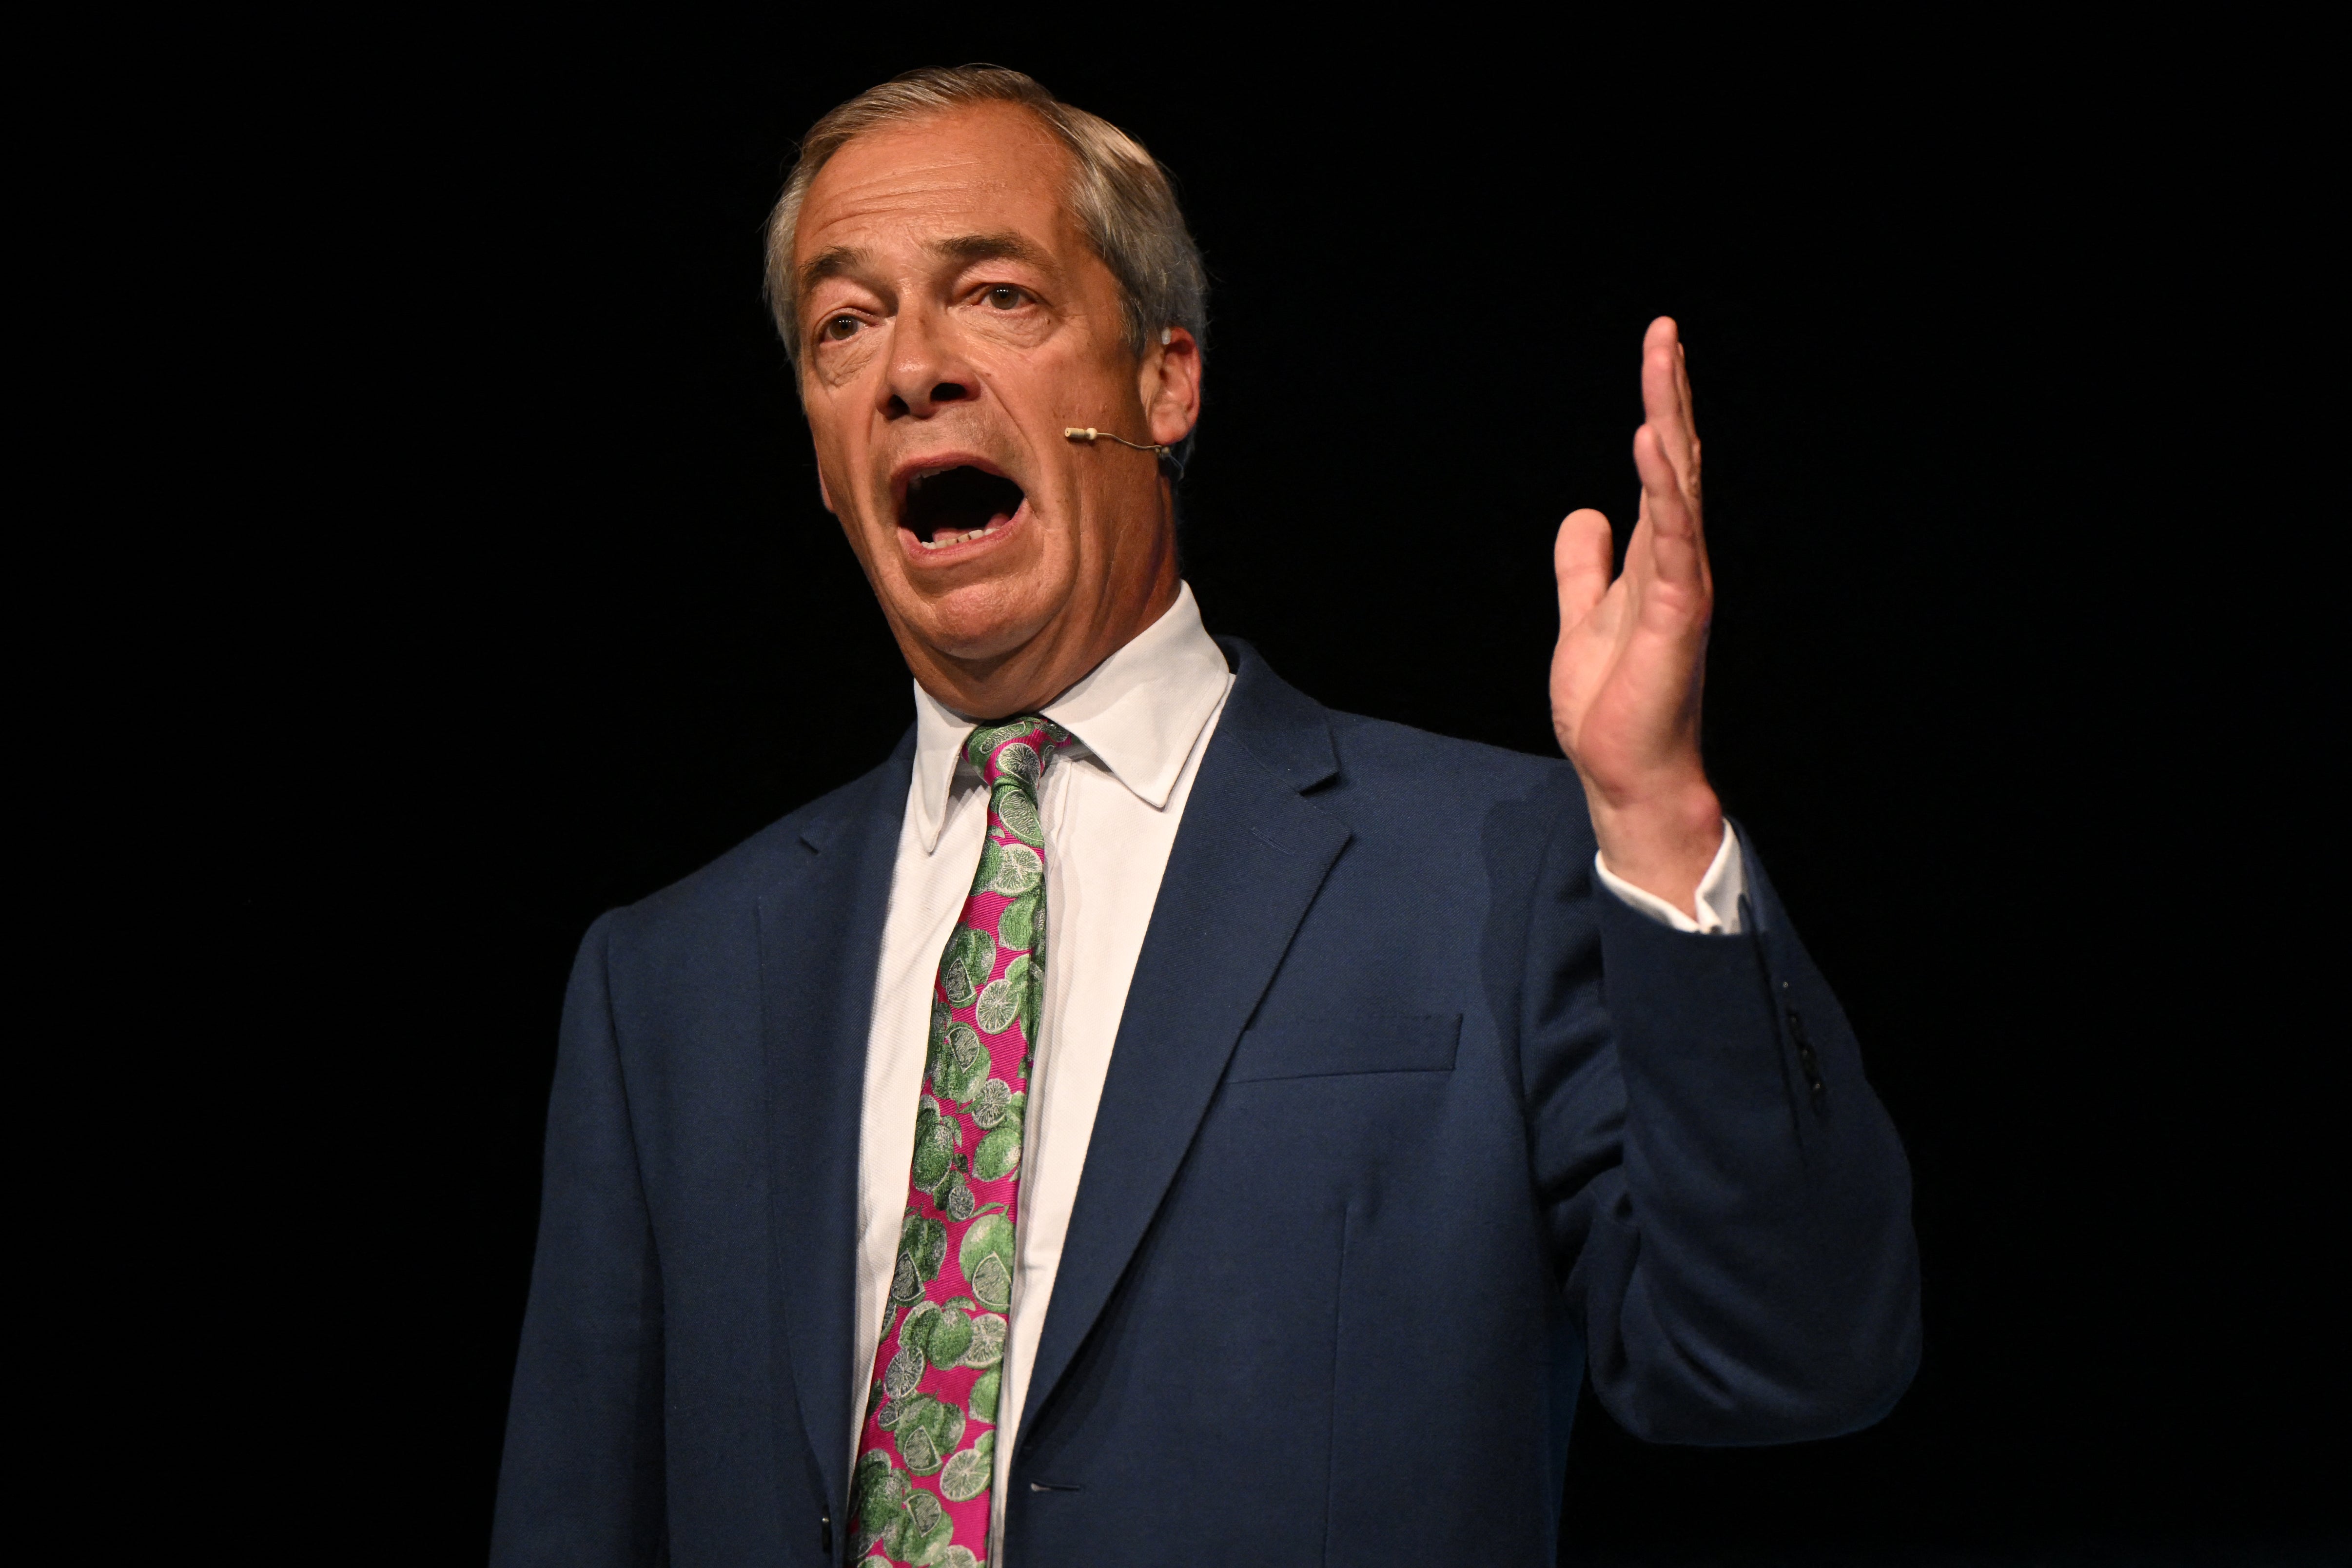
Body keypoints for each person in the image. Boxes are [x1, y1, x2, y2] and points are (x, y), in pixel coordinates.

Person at [490, 65, 1920, 1568]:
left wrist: (1660, 814)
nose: (911, 369)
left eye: (995, 297)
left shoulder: (1492, 868)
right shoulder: (666, 985)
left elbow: (1788, 1359)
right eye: (847, 326)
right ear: (826, 458)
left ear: (1165, 381)